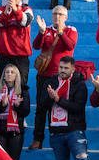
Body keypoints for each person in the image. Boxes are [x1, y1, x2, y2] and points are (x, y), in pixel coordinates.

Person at [29, 9, 76, 151]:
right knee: (41, 108)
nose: (57, 17)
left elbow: (70, 45)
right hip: (44, 75)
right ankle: (38, 139)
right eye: (55, 14)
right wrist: (42, 32)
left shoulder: (71, 30)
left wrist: (61, 32)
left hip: (61, 76)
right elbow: (36, 45)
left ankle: (59, 140)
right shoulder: (47, 29)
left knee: (58, 107)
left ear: (66, 17)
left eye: (60, 14)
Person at [46, 56, 90, 160]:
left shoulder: (80, 84)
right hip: (56, 132)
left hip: (74, 131)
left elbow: (78, 107)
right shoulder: (51, 82)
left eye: (66, 68)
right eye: (61, 67)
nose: (63, 70)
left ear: (73, 69)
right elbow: (42, 105)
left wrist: (58, 99)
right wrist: (50, 98)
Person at [0, 0, 34, 87]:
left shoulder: (27, 9)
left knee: (22, 85)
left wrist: (16, 10)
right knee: (2, 85)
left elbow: (25, 21)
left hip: (21, 55)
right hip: (4, 54)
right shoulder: (1, 9)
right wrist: (6, 14)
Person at [0, 63, 29, 160]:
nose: (9, 74)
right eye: (7, 72)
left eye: (12, 72)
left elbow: (26, 111)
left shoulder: (23, 90)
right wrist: (2, 105)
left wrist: (16, 106)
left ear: (16, 75)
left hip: (16, 131)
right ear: (4, 75)